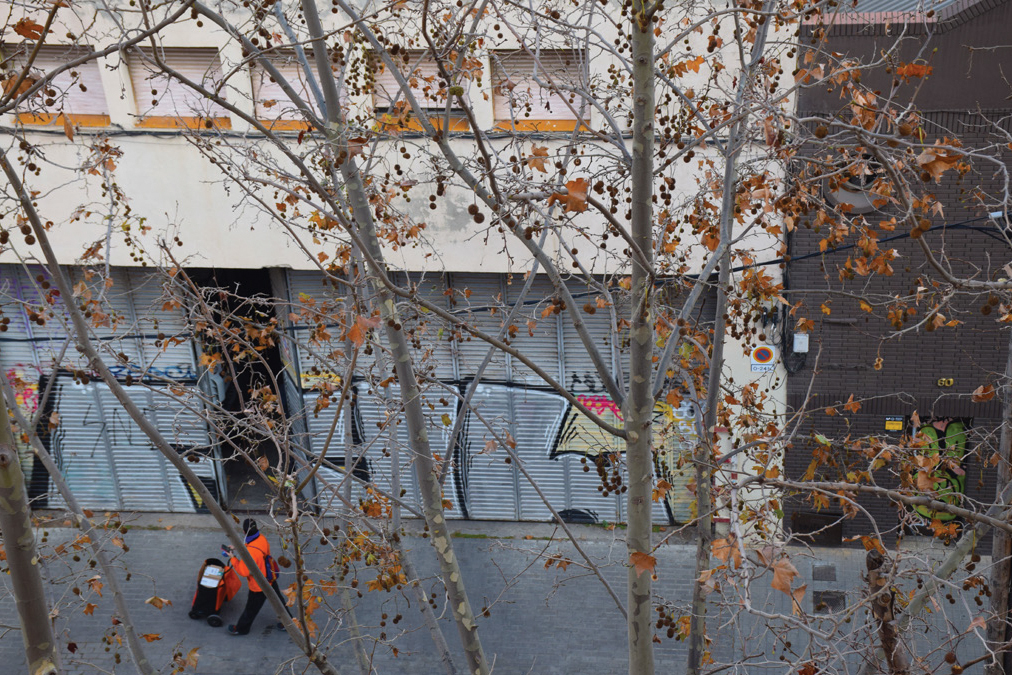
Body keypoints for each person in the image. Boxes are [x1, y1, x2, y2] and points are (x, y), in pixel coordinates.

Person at [226, 518, 289, 635]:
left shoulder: (250, 552)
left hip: (258, 585)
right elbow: (252, 546)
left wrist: (233, 558)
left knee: (251, 609)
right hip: (270, 577)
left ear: (244, 532)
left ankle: (241, 629)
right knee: (279, 602)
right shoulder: (262, 539)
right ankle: (289, 623)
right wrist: (239, 547)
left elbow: (243, 571)